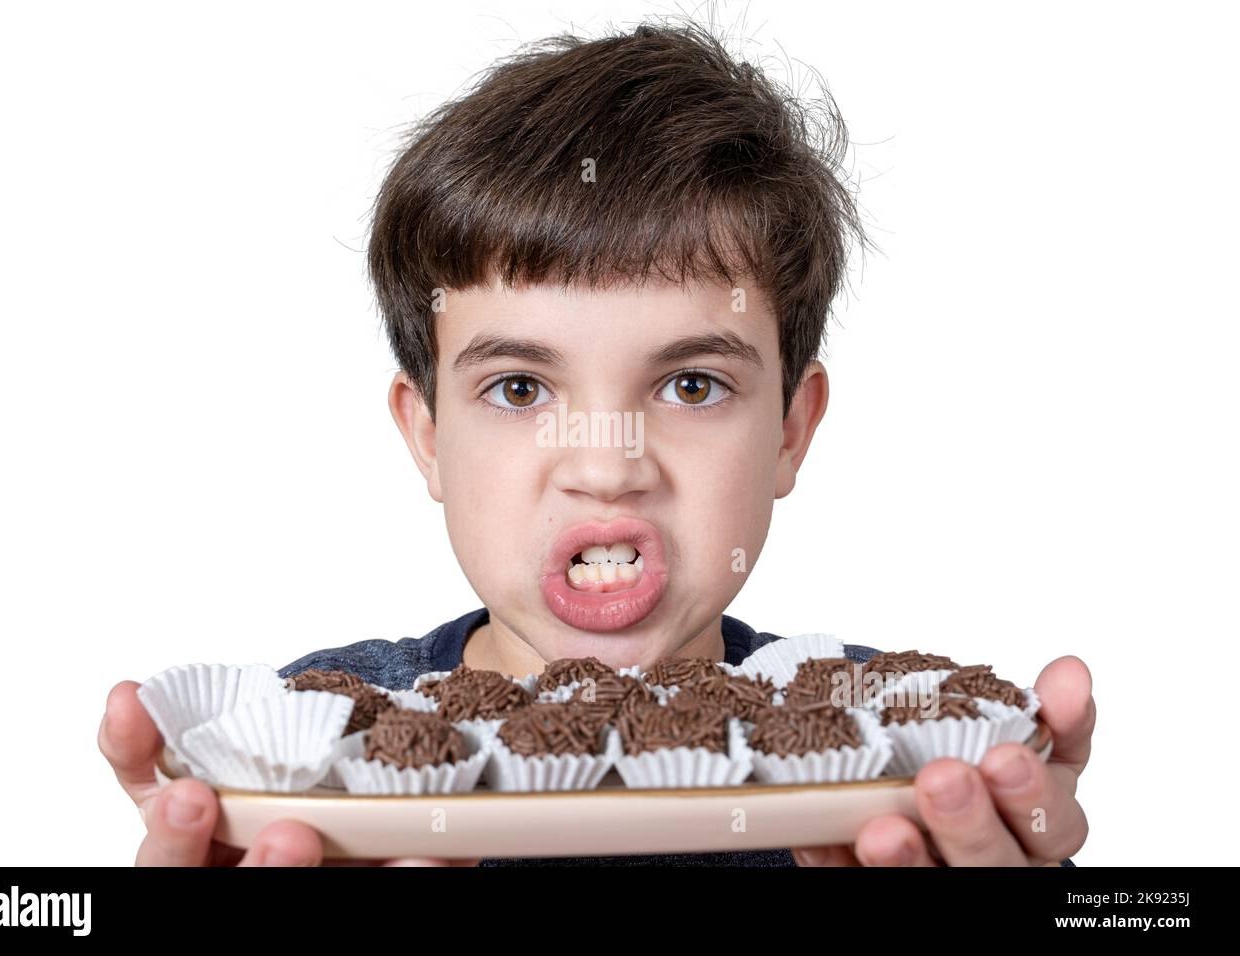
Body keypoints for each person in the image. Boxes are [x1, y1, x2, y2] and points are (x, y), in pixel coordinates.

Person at [99, 18, 1094, 867]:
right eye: (520, 386)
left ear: (791, 428)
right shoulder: (321, 755)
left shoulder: (890, 756)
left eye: (691, 384)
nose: (607, 460)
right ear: (428, 437)